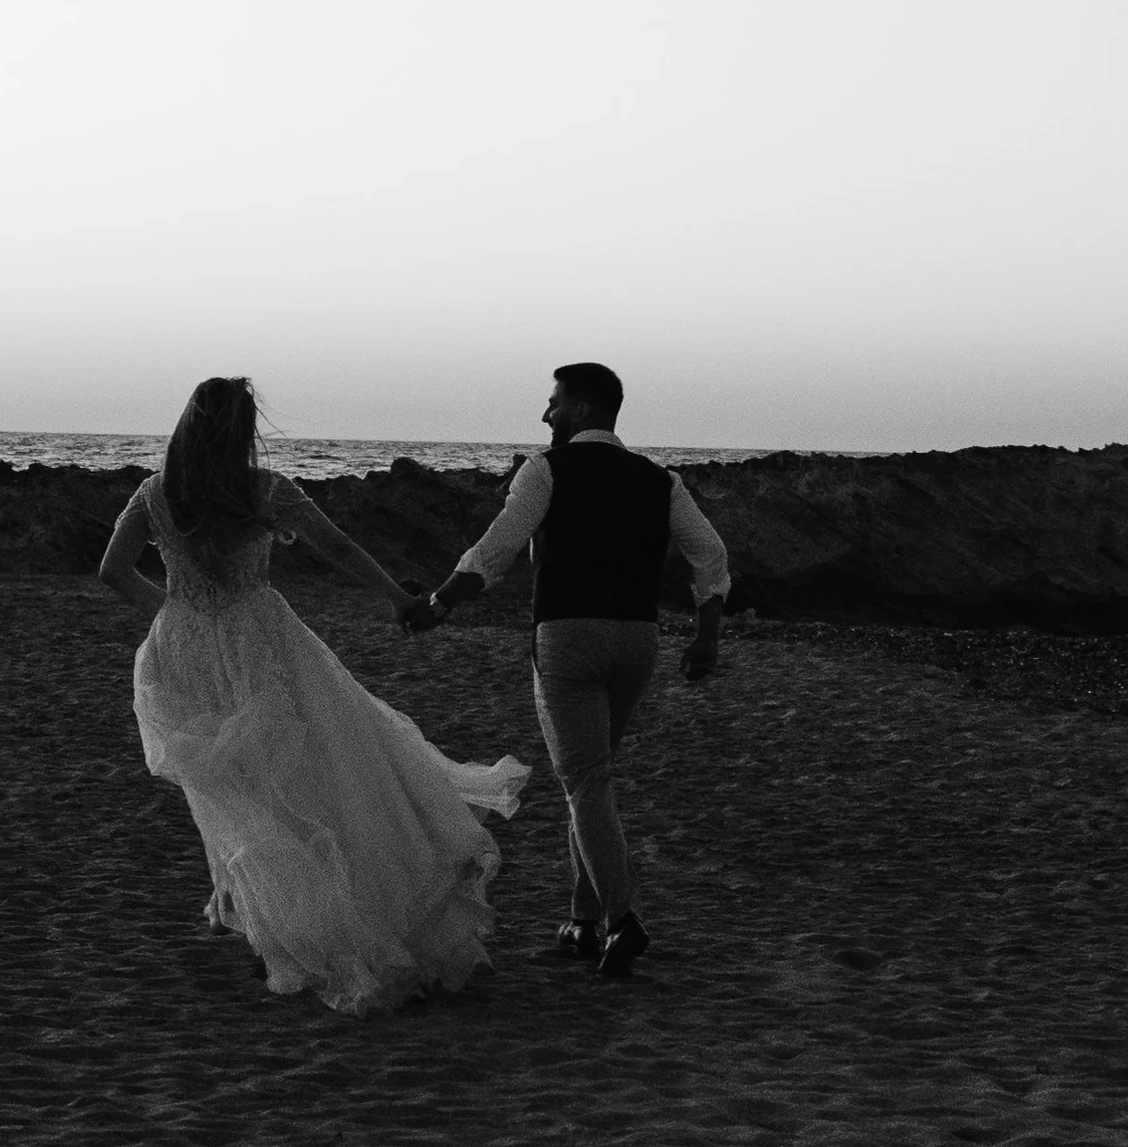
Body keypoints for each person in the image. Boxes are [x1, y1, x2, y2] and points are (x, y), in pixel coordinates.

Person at [99, 377, 529, 1017]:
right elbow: (337, 547)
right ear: (243, 431)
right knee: (314, 771)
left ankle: (246, 903)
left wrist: (172, 614)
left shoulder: (156, 494)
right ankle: (281, 906)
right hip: (262, 641)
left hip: (183, 650)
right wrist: (398, 598)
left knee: (230, 786)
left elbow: (112, 569)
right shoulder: (263, 490)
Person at [404, 362, 726, 980]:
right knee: (592, 779)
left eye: (553, 403)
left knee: (585, 781)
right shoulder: (661, 480)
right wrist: (706, 635)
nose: (545, 414)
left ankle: (621, 918)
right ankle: (581, 921)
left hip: (568, 637)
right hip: (638, 639)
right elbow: (709, 552)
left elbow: (496, 547)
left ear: (581, 409)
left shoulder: (546, 471)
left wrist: (439, 605)